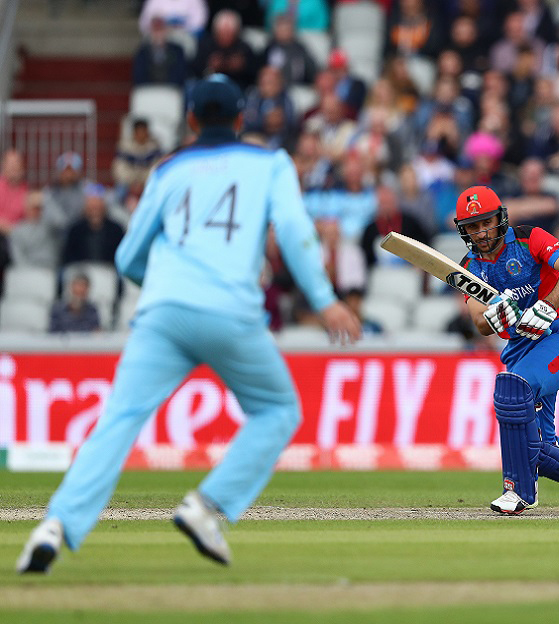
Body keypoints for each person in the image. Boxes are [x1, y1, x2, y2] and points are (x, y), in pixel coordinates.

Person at [16, 75, 362, 574]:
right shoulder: (271, 163)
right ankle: (206, 506)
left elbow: (127, 257)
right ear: (241, 119)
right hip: (230, 310)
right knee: (278, 409)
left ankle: (55, 525)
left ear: (192, 121)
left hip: (163, 313)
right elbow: (292, 229)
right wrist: (326, 301)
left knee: (118, 420)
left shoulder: (167, 169)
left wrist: (162, 284)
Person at [453, 185, 559, 515]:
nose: (482, 232)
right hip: (521, 349)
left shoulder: (528, 237)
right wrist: (493, 316)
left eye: (486, 222)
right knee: (539, 447)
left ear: (500, 218)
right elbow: (479, 321)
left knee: (513, 388)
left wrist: (547, 305)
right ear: (464, 231)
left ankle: (518, 490)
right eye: (473, 227)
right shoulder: (470, 266)